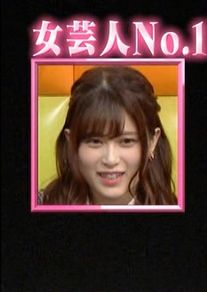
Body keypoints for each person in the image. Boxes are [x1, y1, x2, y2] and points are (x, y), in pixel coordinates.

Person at [39, 66, 177, 206]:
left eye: (127, 141)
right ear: (71, 142)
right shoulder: (43, 203)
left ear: (152, 141)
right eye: (95, 141)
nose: (110, 160)